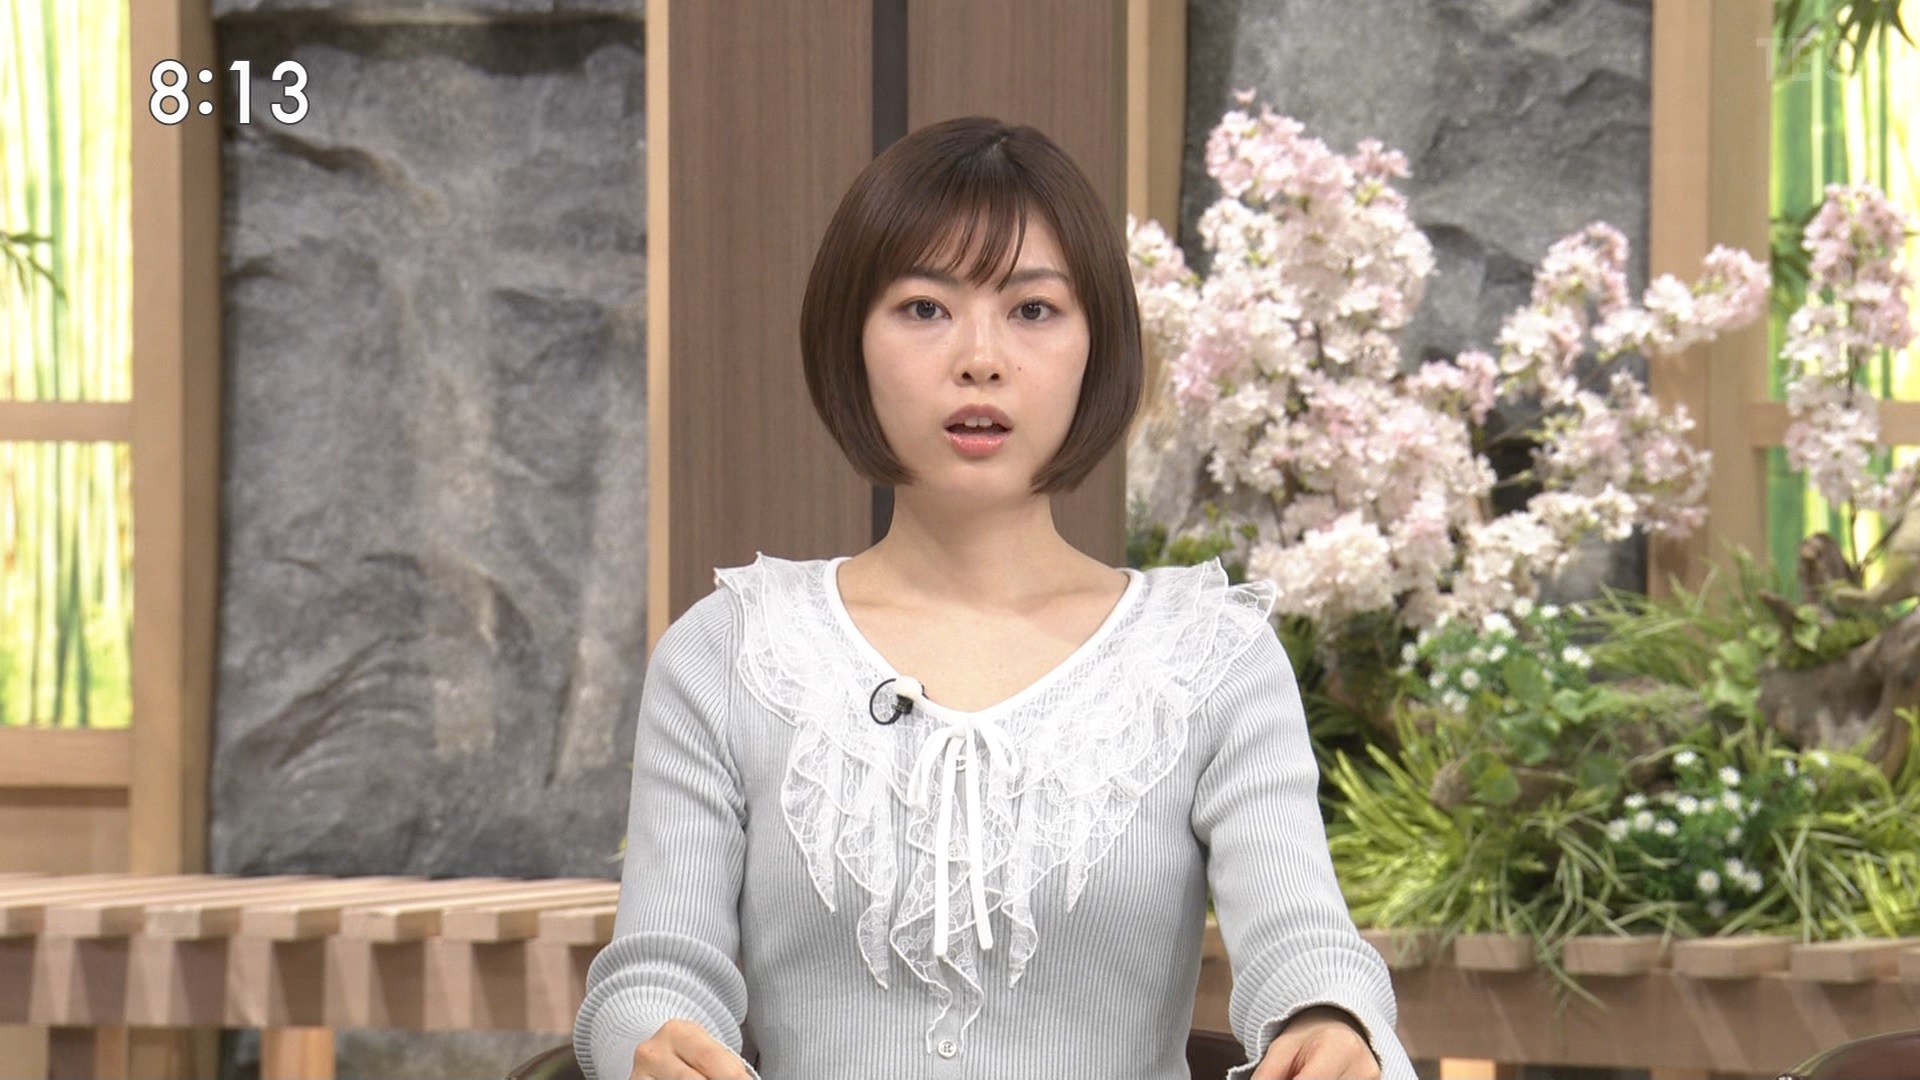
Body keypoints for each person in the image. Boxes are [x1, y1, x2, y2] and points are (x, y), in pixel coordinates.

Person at [574, 116, 1415, 1080]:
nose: (980, 357)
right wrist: (650, 1041)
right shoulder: (730, 654)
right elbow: (655, 973)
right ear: (851, 342)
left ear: (1098, 345)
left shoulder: (1210, 658)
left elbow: (1304, 946)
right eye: (924, 308)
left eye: (1033, 309)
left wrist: (1329, 1022)